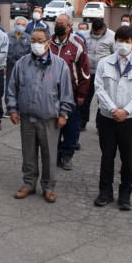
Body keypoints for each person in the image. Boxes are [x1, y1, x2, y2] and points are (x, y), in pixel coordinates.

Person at [7, 27, 74, 204]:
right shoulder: (22, 63)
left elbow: (66, 93)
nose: (36, 44)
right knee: (28, 153)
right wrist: (12, 109)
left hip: (49, 118)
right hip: (27, 117)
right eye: (33, 41)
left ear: (48, 42)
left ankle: (49, 187)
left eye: (40, 41)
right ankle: (29, 183)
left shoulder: (60, 65)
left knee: (49, 154)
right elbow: (12, 88)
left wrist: (64, 114)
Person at [93, 26, 132, 210]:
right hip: (107, 118)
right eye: (120, 40)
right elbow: (99, 88)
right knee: (107, 156)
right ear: (115, 41)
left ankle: (125, 194)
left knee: (128, 158)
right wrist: (112, 109)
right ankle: (105, 192)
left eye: (127, 41)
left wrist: (125, 111)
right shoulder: (104, 63)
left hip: (130, 119)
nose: (123, 44)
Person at [50, 13, 91, 170]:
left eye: (62, 24)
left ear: (69, 27)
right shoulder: (48, 42)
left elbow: (84, 71)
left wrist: (81, 93)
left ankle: (67, 154)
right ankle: (55, 153)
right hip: (51, 93)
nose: (58, 26)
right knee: (54, 125)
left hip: (71, 94)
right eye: (56, 23)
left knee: (70, 126)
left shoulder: (78, 44)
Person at [80, 18, 115, 130]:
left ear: (103, 29)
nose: (95, 34)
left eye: (98, 33)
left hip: (104, 73)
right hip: (88, 73)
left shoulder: (112, 36)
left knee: (103, 100)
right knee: (85, 99)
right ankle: (82, 122)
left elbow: (115, 54)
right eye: (94, 32)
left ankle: (101, 125)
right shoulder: (85, 35)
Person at [5, 16, 31, 108]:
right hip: (10, 66)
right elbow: (4, 52)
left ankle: (20, 107)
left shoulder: (29, 38)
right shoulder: (7, 36)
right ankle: (9, 107)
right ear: (14, 25)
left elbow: (31, 54)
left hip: (23, 67)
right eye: (18, 24)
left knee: (22, 87)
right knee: (9, 86)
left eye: (23, 25)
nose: (20, 26)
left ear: (26, 27)